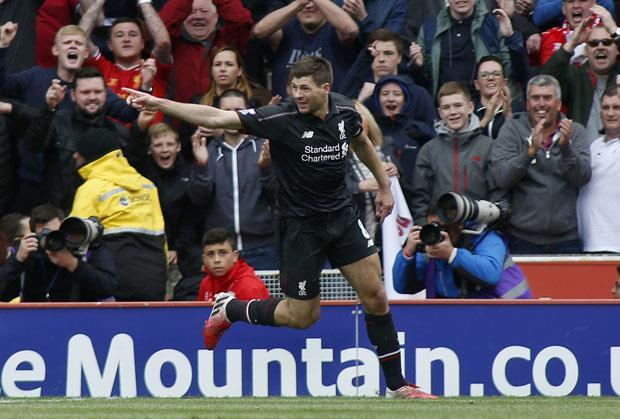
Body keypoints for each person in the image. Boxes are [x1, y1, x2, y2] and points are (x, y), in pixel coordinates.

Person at [123, 56, 437, 399]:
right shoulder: (280, 118)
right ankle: (230, 309)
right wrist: (160, 104)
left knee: (376, 295)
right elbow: (216, 117)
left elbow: (361, 143)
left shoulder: (347, 112)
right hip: (300, 228)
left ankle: (398, 386)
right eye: (294, 87)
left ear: (325, 89)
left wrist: (384, 186)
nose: (297, 94)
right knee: (302, 317)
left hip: (342, 218)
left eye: (305, 88)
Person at [0, 23, 137, 214]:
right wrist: (2, 46)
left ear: (86, 52)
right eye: (67, 42)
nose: (73, 45)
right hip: (29, 178)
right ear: (56, 50)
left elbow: (127, 113)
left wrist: (146, 88)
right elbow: (3, 84)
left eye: (78, 43)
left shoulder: (93, 88)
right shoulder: (35, 76)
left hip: (74, 184)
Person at [491, 74, 591, 254]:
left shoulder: (575, 132)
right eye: (535, 98)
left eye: (547, 97)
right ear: (527, 104)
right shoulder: (512, 130)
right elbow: (502, 178)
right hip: (521, 239)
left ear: (559, 104)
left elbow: (582, 178)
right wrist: (529, 153)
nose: (541, 104)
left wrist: (566, 148)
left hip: (566, 239)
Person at [71, 127, 168, 301]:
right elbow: (162, 238)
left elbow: (75, 238)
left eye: (79, 151)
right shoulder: (148, 186)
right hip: (154, 281)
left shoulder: (91, 189)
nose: (75, 156)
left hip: (111, 284)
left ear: (91, 154)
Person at [22, 66, 130, 213]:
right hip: (59, 214)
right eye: (85, 92)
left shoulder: (117, 132)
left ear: (106, 94)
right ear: (73, 95)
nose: (92, 97)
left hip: (103, 213)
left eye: (97, 92)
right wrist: (48, 110)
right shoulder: (56, 121)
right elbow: (32, 146)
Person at [192, 89, 278, 270]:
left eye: (238, 110)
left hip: (264, 247)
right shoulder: (208, 151)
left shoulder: (265, 146)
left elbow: (278, 197)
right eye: (226, 111)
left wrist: (266, 168)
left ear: (248, 113)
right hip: (222, 250)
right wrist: (201, 167)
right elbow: (198, 200)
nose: (232, 116)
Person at [124, 120, 209, 294]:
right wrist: (140, 127)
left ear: (178, 147)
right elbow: (134, 152)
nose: (164, 150)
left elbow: (192, 216)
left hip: (185, 252)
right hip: (149, 250)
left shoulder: (189, 172)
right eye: (158, 145)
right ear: (150, 149)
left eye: (169, 144)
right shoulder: (141, 174)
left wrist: (176, 248)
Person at [412, 81, 498, 226]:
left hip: (481, 227)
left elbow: (497, 190)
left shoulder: (488, 146)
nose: (452, 112)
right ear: (440, 113)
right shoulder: (429, 150)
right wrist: (423, 227)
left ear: (470, 107)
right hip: (441, 227)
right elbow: (420, 196)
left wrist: (491, 222)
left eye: (458, 105)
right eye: (446, 107)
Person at [392, 210, 531, 298]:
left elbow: (490, 275)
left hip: (511, 312)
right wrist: (407, 254)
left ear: (459, 225)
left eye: (442, 227)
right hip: (460, 316)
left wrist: (452, 254)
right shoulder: (431, 245)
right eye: (432, 226)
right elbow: (402, 287)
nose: (437, 233)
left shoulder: (486, 238)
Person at [409, 0, 528, 100]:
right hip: (447, 108)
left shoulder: (494, 24)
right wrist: (417, 67)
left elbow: (518, 74)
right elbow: (423, 83)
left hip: (488, 106)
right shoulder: (430, 29)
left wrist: (511, 38)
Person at [0, 204, 118, 302]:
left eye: (56, 233)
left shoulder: (86, 246)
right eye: (44, 235)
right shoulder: (33, 252)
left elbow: (107, 288)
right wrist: (17, 260)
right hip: (39, 317)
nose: (52, 239)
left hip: (82, 317)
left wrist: (73, 264)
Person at [252, 0, 359, 97]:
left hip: (330, 108)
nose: (308, 6)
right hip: (287, 109)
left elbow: (351, 30)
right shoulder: (286, 30)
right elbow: (259, 31)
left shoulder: (335, 29)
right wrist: (298, 4)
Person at [541, 11, 620, 142]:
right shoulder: (575, 76)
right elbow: (545, 82)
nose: (600, 47)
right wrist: (571, 43)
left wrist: (614, 30)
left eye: (607, 42)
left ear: (617, 49)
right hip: (581, 152)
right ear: (586, 51)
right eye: (593, 43)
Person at [159, 0, 253, 104]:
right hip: (178, 112)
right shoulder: (172, 44)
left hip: (224, 111)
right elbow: (161, 27)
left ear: (216, 17)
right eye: (191, 12)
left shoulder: (227, 41)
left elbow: (241, 20)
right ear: (182, 18)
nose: (198, 16)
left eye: (204, 11)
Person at [78, 0, 173, 101]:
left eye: (133, 34)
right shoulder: (101, 68)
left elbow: (163, 42)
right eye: (119, 35)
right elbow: (79, 38)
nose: (126, 39)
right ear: (110, 45)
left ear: (142, 43)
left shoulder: (152, 67)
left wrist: (144, 2)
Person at [576, 86, 620, 253]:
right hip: (588, 242)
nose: (610, 113)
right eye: (606, 107)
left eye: (616, 107)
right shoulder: (593, 145)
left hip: (615, 245)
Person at [197, 227, 269, 302]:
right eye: (210, 254)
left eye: (223, 253)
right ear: (204, 259)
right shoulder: (205, 283)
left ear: (235, 256)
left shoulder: (250, 286)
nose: (216, 260)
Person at [538, 0, 606, 66]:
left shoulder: (607, 33)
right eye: (570, 1)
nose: (576, 5)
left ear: (594, 5)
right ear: (564, 8)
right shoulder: (550, 35)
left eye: (582, 0)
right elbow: (549, 72)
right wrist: (571, 46)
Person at [473, 55, 517, 139]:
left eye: (496, 74)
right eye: (484, 75)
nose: (491, 78)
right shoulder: (469, 112)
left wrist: (508, 115)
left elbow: (524, 141)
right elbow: (463, 143)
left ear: (504, 82)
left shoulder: (518, 109)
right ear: (477, 84)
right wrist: (485, 120)